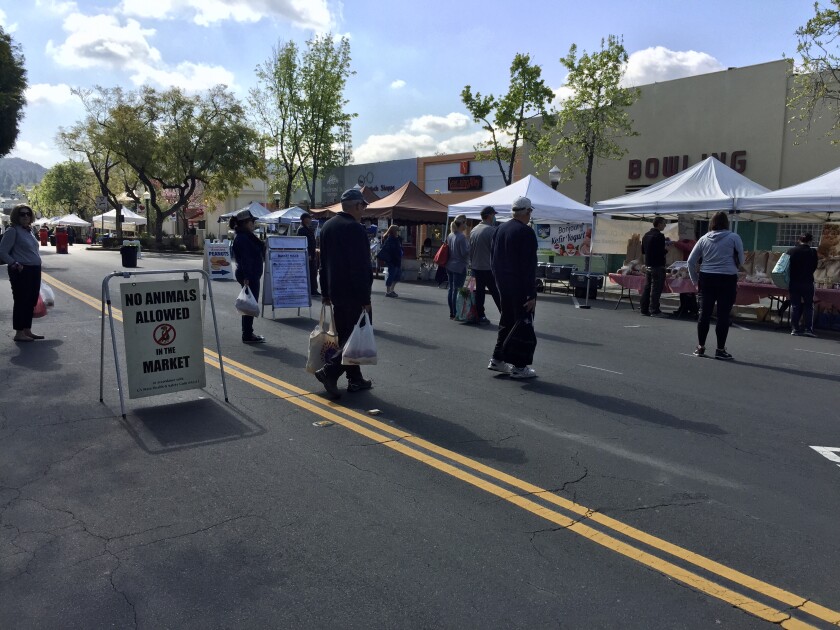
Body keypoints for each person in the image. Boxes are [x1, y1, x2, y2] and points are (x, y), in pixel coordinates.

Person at [315, 188, 374, 398]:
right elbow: (360, 267)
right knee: (354, 337)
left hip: (335, 290)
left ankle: (355, 378)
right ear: (357, 205)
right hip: (354, 292)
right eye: (364, 206)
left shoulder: (327, 226)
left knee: (347, 335)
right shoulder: (355, 229)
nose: (364, 210)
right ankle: (330, 371)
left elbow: (322, 263)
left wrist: (325, 291)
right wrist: (365, 298)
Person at [488, 196, 538, 379]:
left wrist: (498, 281)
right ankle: (519, 365)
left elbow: (493, 259)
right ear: (527, 212)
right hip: (520, 287)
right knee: (522, 325)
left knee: (506, 322)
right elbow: (528, 266)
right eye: (530, 211)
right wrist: (531, 294)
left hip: (503, 284)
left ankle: (497, 358)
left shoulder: (499, 229)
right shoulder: (526, 232)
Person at [687, 211, 745, 360]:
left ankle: (700, 347)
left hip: (707, 278)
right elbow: (742, 260)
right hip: (727, 278)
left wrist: (695, 280)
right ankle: (720, 349)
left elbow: (690, 261)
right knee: (723, 315)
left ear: (711, 223)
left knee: (704, 313)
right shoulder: (734, 237)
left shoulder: (703, 239)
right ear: (726, 223)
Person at [0, 204, 44, 342]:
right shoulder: (13, 231)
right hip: (21, 270)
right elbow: (2, 251)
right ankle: (19, 333)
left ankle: (27, 330)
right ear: (16, 216)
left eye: (28, 214)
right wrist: (14, 263)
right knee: (21, 301)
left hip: (34, 270)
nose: (25, 216)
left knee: (31, 301)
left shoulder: (28, 230)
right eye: (22, 214)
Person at [230, 208, 266, 344]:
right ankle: (247, 334)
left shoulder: (246, 236)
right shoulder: (243, 238)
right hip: (248, 275)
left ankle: (248, 333)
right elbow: (245, 259)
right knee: (249, 304)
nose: (253, 224)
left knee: (249, 303)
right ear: (245, 222)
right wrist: (247, 277)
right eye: (251, 221)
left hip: (250, 274)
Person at [468, 206, 501, 325]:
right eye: (493, 214)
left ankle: (480, 315)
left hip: (476, 267)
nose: (495, 217)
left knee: (479, 294)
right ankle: (505, 315)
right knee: (497, 293)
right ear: (490, 216)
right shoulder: (492, 231)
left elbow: (470, 251)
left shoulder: (474, 229)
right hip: (488, 267)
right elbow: (497, 251)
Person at [787, 233, 819, 337]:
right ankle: (808, 329)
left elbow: (785, 266)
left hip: (794, 282)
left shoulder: (791, 251)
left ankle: (795, 328)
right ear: (810, 241)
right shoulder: (813, 252)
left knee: (795, 306)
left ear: (798, 240)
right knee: (809, 306)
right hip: (807, 282)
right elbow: (814, 266)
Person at [640, 216, 668, 317]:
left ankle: (644, 308)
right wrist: (666, 249)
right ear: (659, 224)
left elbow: (643, 251)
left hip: (648, 264)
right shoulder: (659, 236)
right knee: (656, 288)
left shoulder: (646, 235)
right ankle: (654, 310)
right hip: (658, 265)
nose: (665, 225)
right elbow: (661, 252)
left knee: (647, 288)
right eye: (664, 223)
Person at [445, 213, 469, 320]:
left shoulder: (450, 235)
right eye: (465, 222)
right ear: (462, 224)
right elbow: (464, 253)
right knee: (456, 290)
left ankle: (452, 312)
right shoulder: (462, 237)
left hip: (450, 265)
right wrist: (470, 247)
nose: (466, 225)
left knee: (451, 289)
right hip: (459, 266)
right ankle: (455, 313)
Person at [296, 212, 320, 296]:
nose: (310, 219)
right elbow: (302, 243)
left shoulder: (307, 228)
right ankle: (311, 290)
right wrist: (308, 254)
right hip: (307, 255)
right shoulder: (301, 229)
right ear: (305, 219)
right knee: (310, 272)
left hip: (312, 254)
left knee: (313, 272)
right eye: (309, 218)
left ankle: (313, 289)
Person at [377, 224, 403, 297]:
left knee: (397, 276)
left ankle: (392, 289)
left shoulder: (397, 239)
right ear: (394, 231)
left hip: (397, 260)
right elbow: (391, 250)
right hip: (392, 260)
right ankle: (388, 291)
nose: (398, 232)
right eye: (397, 231)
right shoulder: (390, 239)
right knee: (391, 275)